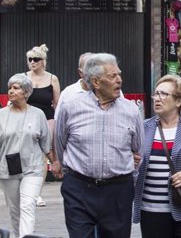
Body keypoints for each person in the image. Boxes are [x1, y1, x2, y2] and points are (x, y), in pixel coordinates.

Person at [55, 53, 144, 238]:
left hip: (118, 190)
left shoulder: (131, 110)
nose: (119, 80)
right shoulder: (70, 107)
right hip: (79, 188)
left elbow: (138, 150)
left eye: (119, 74)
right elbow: (60, 142)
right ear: (96, 82)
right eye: (112, 76)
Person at [132, 75, 181, 237]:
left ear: (179, 101)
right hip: (151, 210)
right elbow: (132, 160)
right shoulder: (144, 127)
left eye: (163, 94)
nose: (157, 99)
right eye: (156, 94)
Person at [0, 73, 56, 238]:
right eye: (10, 87)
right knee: (15, 210)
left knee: (27, 205)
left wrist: (56, 164)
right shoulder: (1, 114)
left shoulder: (38, 114)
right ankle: (19, 235)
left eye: (16, 88)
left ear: (26, 92)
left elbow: (46, 143)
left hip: (33, 168)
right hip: (7, 169)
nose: (11, 91)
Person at [25, 44, 61, 207]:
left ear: (43, 61)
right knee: (27, 156)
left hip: (48, 121)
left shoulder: (52, 78)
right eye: (30, 59)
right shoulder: (24, 78)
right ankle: (27, 191)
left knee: (44, 156)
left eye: (36, 59)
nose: (32, 62)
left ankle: (37, 193)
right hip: (28, 121)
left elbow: (57, 103)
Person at [54, 52, 92, 121]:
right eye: (89, 68)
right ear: (80, 72)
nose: (93, 72)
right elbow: (59, 121)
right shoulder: (68, 94)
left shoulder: (105, 92)